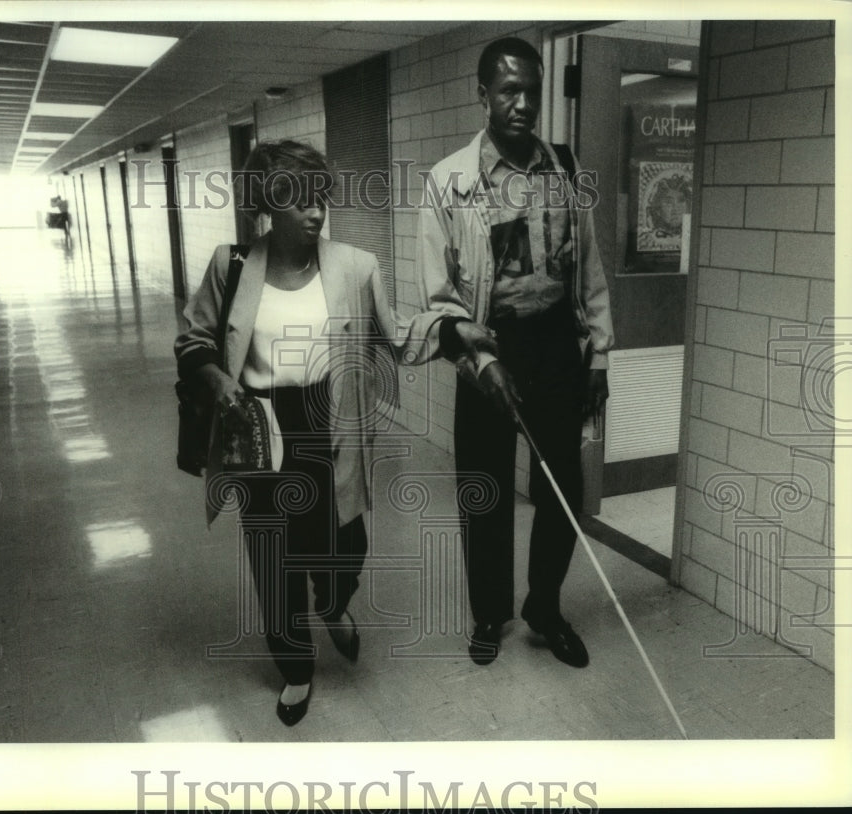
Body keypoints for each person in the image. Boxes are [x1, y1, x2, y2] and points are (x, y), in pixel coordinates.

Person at [174, 141, 453, 725]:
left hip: (329, 423)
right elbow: (194, 339)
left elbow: (400, 339)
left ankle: (333, 603)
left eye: (320, 198)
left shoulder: (355, 266)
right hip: (257, 426)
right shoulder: (231, 266)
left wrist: (455, 332)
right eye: (299, 200)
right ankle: (296, 669)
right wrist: (219, 380)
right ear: (268, 205)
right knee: (274, 560)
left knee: (345, 547)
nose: (316, 212)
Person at [415, 37, 615, 668]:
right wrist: (479, 362)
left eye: (531, 90)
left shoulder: (565, 170)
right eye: (508, 91)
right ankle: (489, 614)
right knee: (485, 488)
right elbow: (439, 296)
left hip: (556, 344)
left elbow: (591, 274)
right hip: (489, 343)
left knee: (564, 488)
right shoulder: (448, 182)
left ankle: (545, 607)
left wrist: (600, 356)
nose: (523, 104)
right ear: (483, 96)